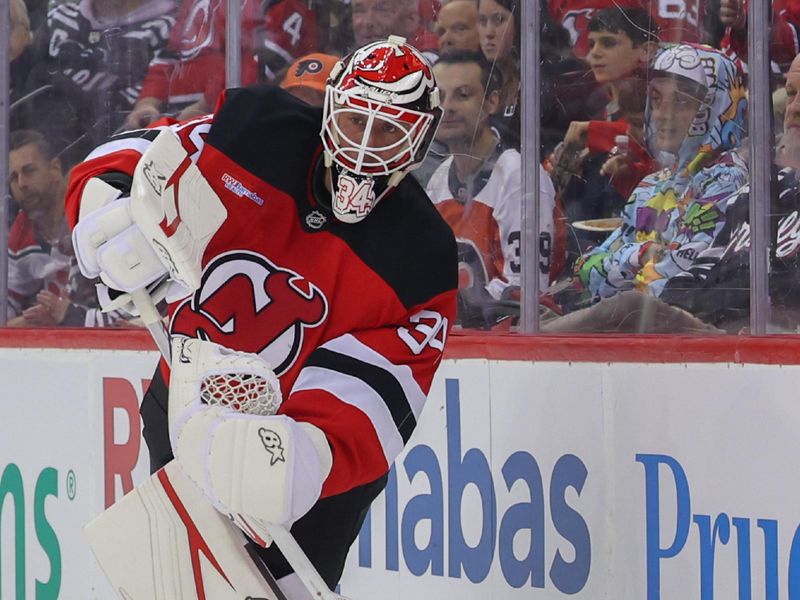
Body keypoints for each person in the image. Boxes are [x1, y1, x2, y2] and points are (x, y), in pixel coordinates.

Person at [66, 36, 456, 597]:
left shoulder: (422, 257)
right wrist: (111, 199)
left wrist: (305, 453)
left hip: (304, 474)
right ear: (331, 108)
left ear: (419, 141)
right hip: (183, 401)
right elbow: (143, 154)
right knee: (178, 587)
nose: (366, 148)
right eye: (354, 122)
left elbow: (384, 384)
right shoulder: (254, 130)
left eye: (389, 131)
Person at [574, 44, 748, 303]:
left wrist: (620, 267)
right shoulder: (652, 184)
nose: (664, 115)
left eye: (681, 101)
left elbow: (668, 284)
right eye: (656, 100)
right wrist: (640, 255)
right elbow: (582, 272)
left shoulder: (727, 181)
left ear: (718, 106)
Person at [660, 52, 800, 332]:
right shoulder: (764, 189)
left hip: (767, 360)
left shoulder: (733, 177)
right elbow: (682, 284)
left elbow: (781, 290)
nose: (793, 108)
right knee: (628, 310)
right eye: (791, 94)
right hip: (715, 349)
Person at [426, 51, 558, 328]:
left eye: (462, 95)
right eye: (439, 97)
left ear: (492, 102)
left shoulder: (519, 175)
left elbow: (527, 291)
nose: (447, 107)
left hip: (520, 343)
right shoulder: (439, 179)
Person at [18, 0, 177, 166]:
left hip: (115, 152)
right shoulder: (59, 16)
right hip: (44, 153)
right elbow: (29, 83)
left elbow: (132, 111)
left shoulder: (164, 25)